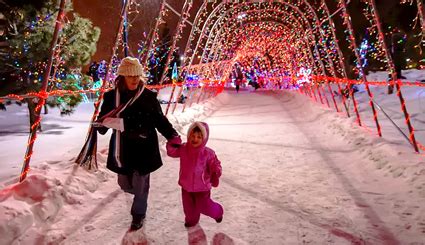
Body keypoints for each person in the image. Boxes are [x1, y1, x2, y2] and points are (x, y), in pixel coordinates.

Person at [96, 57, 180, 231]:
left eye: (137, 75)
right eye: (130, 76)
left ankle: (138, 215)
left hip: (144, 147)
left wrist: (172, 134)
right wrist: (100, 125)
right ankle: (137, 195)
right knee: (124, 184)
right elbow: (103, 120)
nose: (134, 79)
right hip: (123, 148)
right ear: (122, 77)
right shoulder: (112, 97)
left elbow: (159, 119)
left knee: (141, 185)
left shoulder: (148, 97)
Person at [166, 121, 223, 227]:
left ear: (204, 139)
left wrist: (216, 170)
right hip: (186, 186)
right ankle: (192, 220)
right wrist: (173, 142)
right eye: (193, 136)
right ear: (189, 135)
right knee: (189, 207)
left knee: (204, 206)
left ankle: (218, 212)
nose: (195, 139)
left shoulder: (208, 153)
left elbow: (217, 164)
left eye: (199, 137)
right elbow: (172, 152)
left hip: (202, 187)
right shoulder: (184, 149)